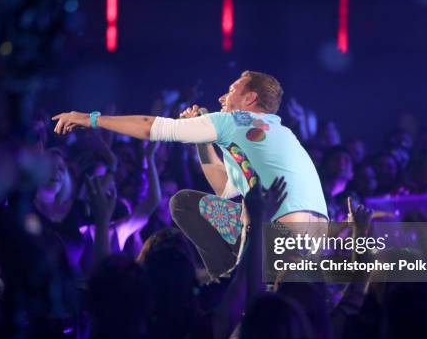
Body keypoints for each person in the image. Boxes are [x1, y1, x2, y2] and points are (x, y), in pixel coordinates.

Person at [51, 70, 328, 279]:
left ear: (250, 98)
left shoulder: (235, 120)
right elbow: (223, 188)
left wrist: (92, 119)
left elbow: (153, 128)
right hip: (314, 241)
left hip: (281, 236)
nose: (222, 98)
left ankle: (228, 280)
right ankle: (233, 275)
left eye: (231, 90)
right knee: (200, 204)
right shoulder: (275, 131)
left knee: (182, 203)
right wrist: (202, 138)